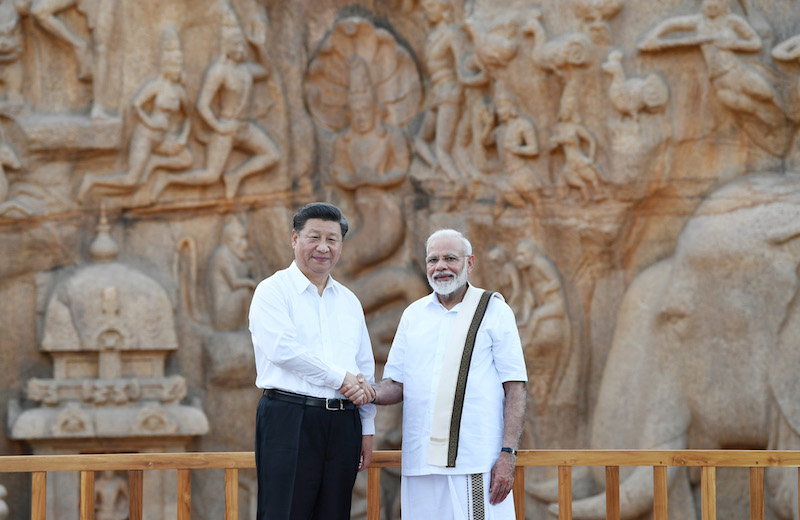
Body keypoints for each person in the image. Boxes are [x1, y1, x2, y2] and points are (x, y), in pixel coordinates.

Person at [348, 228, 527, 519]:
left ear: (469, 263)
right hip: (420, 464)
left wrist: (508, 453)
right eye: (433, 260)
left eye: (450, 258)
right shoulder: (414, 315)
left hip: (475, 461)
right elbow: (395, 384)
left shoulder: (493, 310)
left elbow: (516, 387)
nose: (440, 266)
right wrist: (366, 391)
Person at [249, 202, 376, 520]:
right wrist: (341, 378)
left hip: (344, 424)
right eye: (314, 237)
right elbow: (283, 350)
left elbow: (364, 369)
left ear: (341, 245)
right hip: (290, 418)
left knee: (335, 513)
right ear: (294, 239)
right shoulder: (272, 291)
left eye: (332, 239)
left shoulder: (349, 301)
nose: (323, 247)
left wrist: (367, 428)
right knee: (285, 512)